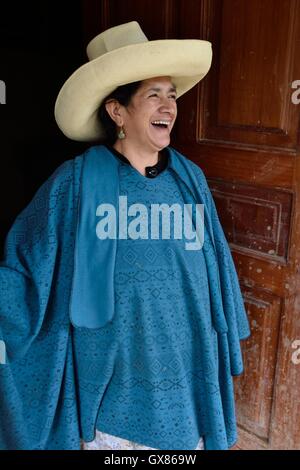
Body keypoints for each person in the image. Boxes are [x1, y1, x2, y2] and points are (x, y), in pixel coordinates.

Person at [0, 21, 250, 451]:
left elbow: (215, 271)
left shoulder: (189, 178)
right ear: (118, 112)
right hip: (114, 381)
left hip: (185, 371)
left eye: (171, 95)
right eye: (153, 95)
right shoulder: (75, 182)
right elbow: (28, 265)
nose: (169, 106)